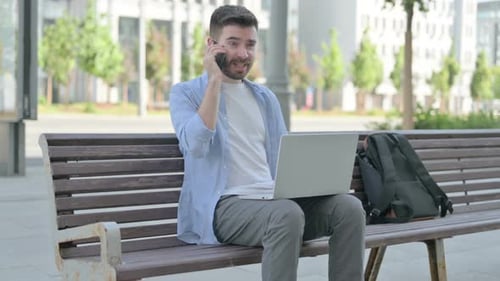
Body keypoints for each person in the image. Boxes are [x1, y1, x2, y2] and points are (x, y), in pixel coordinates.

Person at [169, 5, 365, 281]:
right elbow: (196, 146)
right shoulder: (186, 94)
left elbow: (285, 159)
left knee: (349, 208)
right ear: (212, 45)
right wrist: (214, 81)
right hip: (224, 206)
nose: (243, 54)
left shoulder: (265, 98)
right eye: (233, 43)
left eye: (250, 45)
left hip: (273, 200)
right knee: (285, 215)